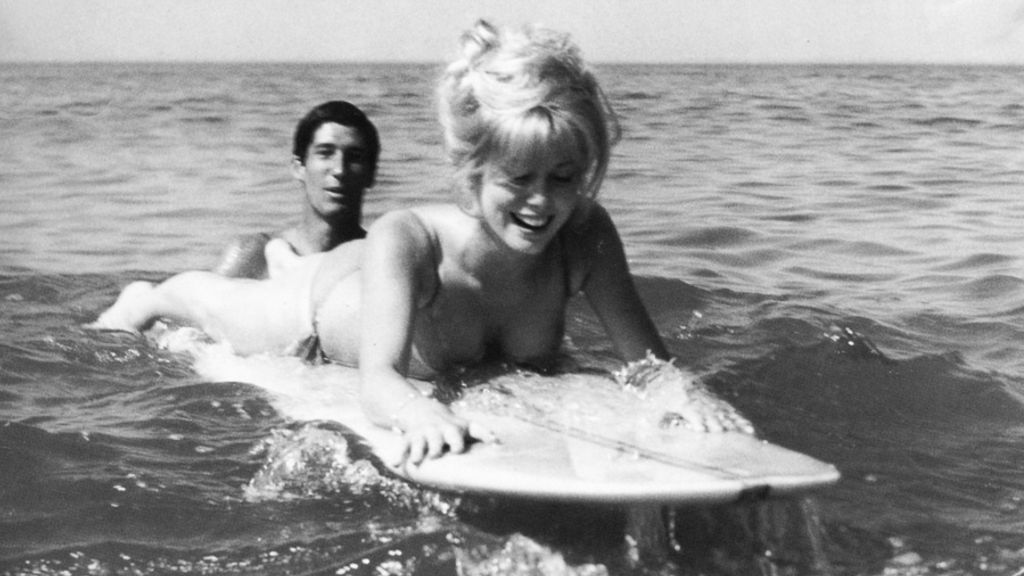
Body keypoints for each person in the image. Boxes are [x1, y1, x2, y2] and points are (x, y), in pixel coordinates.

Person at [93, 20, 751, 464]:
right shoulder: (410, 238)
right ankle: (143, 297)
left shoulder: (585, 235)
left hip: (379, 282)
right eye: (518, 179)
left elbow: (648, 361)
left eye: (564, 178)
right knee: (205, 301)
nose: (542, 202)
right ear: (473, 171)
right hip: (324, 310)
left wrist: (682, 393)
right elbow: (378, 380)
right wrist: (413, 411)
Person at [213, 100, 380, 278]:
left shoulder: (382, 259)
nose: (339, 170)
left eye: (354, 157)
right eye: (325, 153)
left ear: (371, 174)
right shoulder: (256, 255)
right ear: (298, 167)